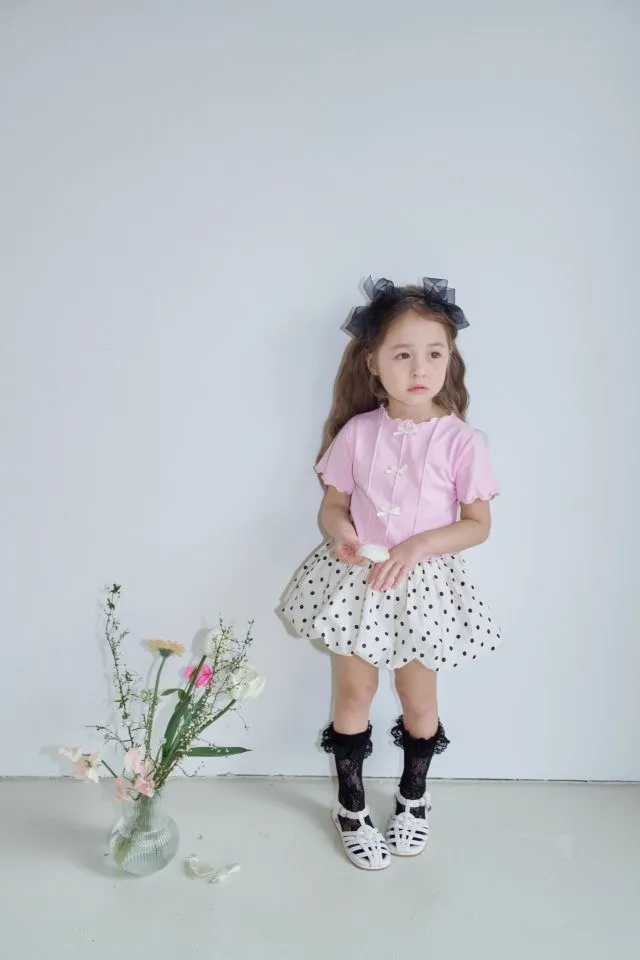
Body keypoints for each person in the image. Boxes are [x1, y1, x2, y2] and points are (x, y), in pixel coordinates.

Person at [280, 277, 501, 871]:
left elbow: (477, 524)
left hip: (423, 586)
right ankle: (351, 808)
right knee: (354, 692)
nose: (419, 367)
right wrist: (341, 534)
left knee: (417, 698)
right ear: (373, 363)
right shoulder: (358, 433)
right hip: (360, 580)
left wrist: (419, 544)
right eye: (402, 354)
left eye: (434, 353)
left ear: (450, 359)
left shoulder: (462, 442)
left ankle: (413, 797)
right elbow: (333, 505)